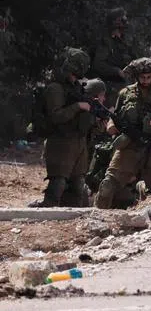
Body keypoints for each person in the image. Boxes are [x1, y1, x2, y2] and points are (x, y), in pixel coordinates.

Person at [93, 58, 151, 208]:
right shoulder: (125, 93)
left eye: (148, 77)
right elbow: (115, 116)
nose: (145, 81)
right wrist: (111, 126)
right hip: (129, 146)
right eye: (142, 77)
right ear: (136, 77)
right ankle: (98, 215)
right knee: (108, 184)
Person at [35, 48, 95, 207]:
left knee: (79, 184)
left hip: (78, 141)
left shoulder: (77, 88)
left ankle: (77, 214)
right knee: (59, 182)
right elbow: (56, 116)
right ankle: (47, 210)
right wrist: (77, 106)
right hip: (61, 142)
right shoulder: (56, 88)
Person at [89, 8, 138, 103]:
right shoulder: (105, 42)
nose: (126, 22)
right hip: (107, 84)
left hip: (123, 82)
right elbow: (98, 64)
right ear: (115, 22)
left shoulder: (124, 40)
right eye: (122, 19)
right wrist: (117, 71)